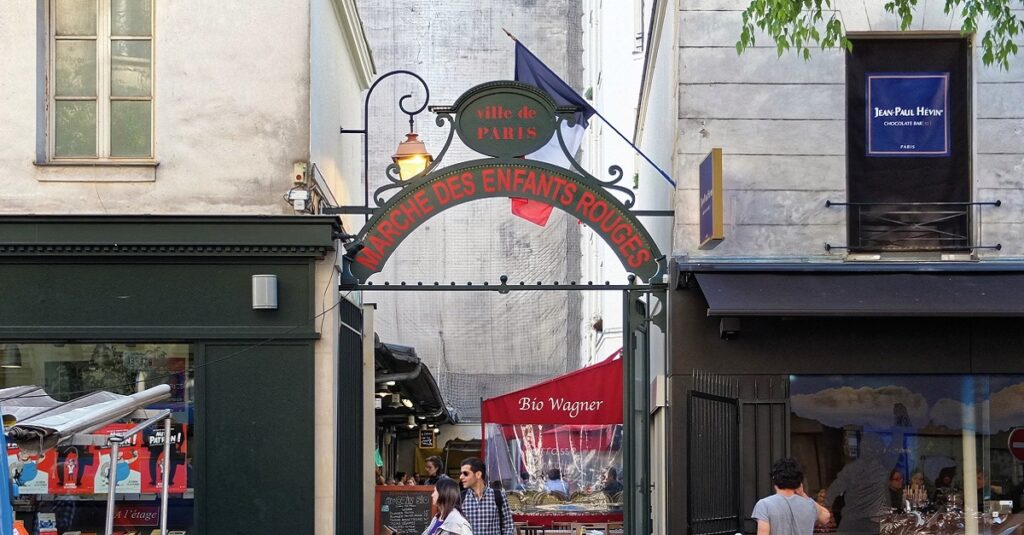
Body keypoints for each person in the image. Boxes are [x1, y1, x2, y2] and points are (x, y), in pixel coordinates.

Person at [752, 458, 831, 535]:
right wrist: (803, 495)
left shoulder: (764, 505)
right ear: (799, 482)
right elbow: (826, 517)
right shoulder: (809, 505)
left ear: (774, 478)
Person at [459, 456, 513, 535]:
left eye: (465, 474)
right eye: (461, 473)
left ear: (478, 474)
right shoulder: (460, 498)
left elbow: (508, 525)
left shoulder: (498, 496)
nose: (461, 477)